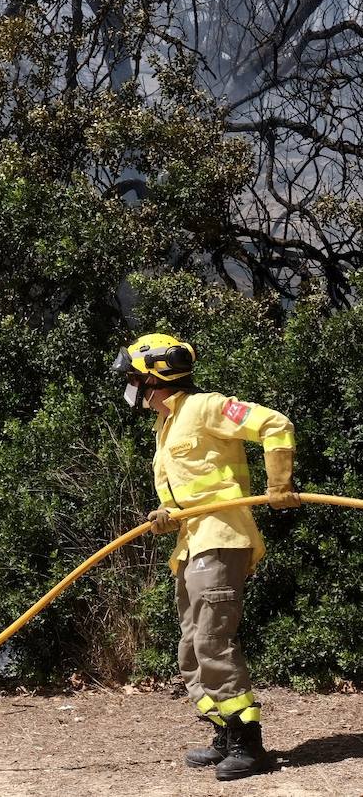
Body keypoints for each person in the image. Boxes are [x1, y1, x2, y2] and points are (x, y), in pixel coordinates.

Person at [112, 333, 299, 781]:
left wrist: (279, 485)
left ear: (154, 378)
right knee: (191, 648)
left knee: (214, 642)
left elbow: (276, 425)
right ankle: (222, 732)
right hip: (193, 543)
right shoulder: (167, 425)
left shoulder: (205, 407)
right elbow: (194, 491)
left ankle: (248, 743)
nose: (130, 388)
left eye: (134, 378)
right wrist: (168, 515)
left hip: (222, 539)